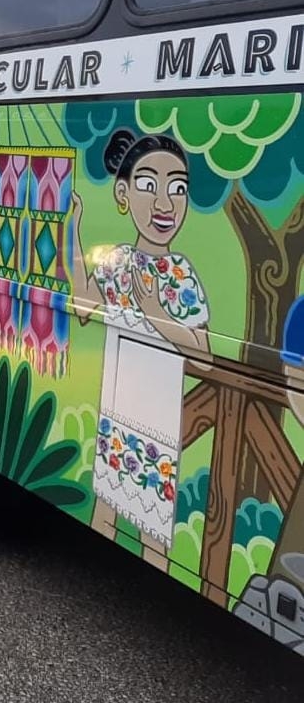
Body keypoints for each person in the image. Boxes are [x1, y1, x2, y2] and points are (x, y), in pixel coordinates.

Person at [72, 129, 210, 549]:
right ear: (123, 193)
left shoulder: (181, 273)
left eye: (178, 188)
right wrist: (74, 230)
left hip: (157, 430)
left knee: (154, 536)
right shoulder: (118, 260)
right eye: (149, 185)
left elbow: (203, 358)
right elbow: (82, 310)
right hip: (116, 418)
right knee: (106, 511)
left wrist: (155, 315)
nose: (166, 204)